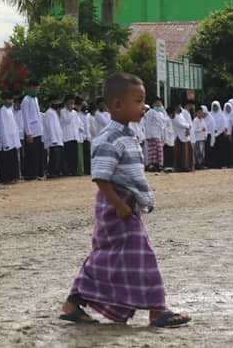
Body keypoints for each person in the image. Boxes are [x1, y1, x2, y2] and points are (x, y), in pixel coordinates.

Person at [61, 72, 190, 328]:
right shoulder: (108, 138)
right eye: (139, 101)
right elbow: (101, 177)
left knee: (108, 256)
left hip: (125, 205)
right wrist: (118, 205)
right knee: (143, 256)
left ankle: (73, 302)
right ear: (118, 104)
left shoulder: (129, 134)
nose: (144, 107)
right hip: (116, 207)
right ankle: (157, 310)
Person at [0, 91, 21, 184]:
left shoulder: (10, 110)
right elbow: (3, 128)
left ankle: (13, 177)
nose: (10, 101)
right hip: (5, 142)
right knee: (5, 161)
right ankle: (5, 179)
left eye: (11, 99)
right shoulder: (3, 111)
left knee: (12, 160)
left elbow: (13, 126)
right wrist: (6, 143)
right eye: (8, 99)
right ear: (4, 100)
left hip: (12, 140)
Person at [21, 80, 45, 181]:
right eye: (35, 88)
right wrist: (28, 133)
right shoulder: (26, 100)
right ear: (30, 88)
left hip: (38, 130)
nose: (36, 90)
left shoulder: (35, 99)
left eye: (38, 89)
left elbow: (38, 114)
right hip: (31, 131)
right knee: (31, 154)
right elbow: (25, 117)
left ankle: (38, 173)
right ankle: (30, 174)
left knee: (38, 153)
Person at [42, 97, 64, 178]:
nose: (57, 104)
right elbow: (51, 127)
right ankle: (51, 172)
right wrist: (54, 139)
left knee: (57, 157)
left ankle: (55, 172)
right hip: (53, 140)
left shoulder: (54, 112)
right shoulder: (49, 113)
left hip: (58, 139)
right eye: (56, 102)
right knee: (54, 158)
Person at [144, 98, 166, 172]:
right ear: (153, 104)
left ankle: (159, 165)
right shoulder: (150, 112)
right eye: (157, 103)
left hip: (159, 134)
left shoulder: (160, 113)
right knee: (153, 151)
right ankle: (153, 165)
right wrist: (148, 135)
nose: (159, 105)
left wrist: (163, 109)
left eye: (160, 103)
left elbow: (163, 123)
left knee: (158, 151)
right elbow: (147, 124)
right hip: (152, 135)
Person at [60, 96, 80, 176]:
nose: (72, 105)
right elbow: (67, 120)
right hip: (67, 137)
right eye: (70, 103)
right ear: (66, 103)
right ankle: (67, 171)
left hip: (74, 136)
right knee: (68, 155)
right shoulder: (63, 111)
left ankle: (74, 170)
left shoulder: (75, 113)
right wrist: (71, 110)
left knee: (74, 155)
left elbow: (76, 124)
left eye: (73, 103)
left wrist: (77, 135)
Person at [171, 104, 193, 172]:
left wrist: (188, 127)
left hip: (184, 136)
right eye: (178, 107)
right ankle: (180, 167)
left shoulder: (181, 115)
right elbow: (180, 124)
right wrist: (187, 126)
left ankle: (186, 166)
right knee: (180, 152)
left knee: (186, 152)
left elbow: (186, 123)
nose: (180, 108)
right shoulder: (174, 116)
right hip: (178, 136)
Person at [210, 101, 229, 169]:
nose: (215, 107)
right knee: (213, 150)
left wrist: (218, 133)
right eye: (214, 106)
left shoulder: (222, 115)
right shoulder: (210, 114)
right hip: (212, 134)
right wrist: (213, 133)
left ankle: (221, 164)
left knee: (221, 150)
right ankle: (213, 164)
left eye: (216, 106)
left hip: (220, 135)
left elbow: (223, 125)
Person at [162, 107, 176, 172]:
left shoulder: (170, 119)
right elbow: (164, 130)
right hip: (167, 140)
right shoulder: (166, 119)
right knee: (167, 153)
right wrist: (166, 140)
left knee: (171, 153)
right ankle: (167, 166)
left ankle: (170, 166)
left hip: (171, 140)